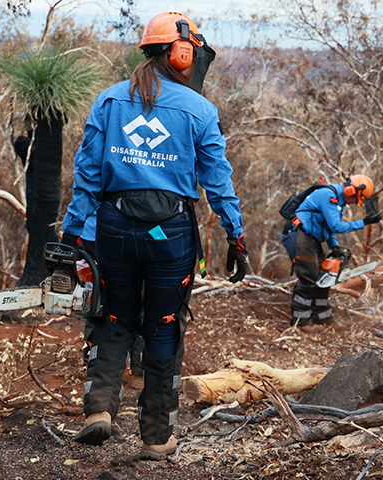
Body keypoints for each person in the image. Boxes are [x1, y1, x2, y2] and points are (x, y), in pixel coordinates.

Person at [60, 12, 248, 460]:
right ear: (182, 54)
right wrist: (235, 236)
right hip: (172, 235)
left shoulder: (108, 101)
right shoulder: (200, 110)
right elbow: (218, 183)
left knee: (113, 316)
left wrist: (72, 231)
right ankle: (156, 438)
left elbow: (86, 175)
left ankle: (98, 412)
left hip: (113, 228)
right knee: (164, 328)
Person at [281, 175, 381, 333]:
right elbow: (336, 226)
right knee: (309, 278)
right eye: (356, 199)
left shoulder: (339, 203)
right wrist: (364, 222)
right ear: (350, 191)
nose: (356, 202)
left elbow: (328, 229)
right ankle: (301, 321)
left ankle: (323, 317)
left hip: (310, 238)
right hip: (298, 234)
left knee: (323, 278)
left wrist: (335, 248)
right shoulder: (329, 196)